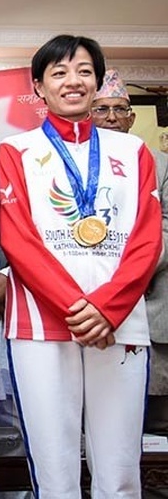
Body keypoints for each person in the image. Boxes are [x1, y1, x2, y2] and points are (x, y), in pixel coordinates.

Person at [0, 37, 161, 497]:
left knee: (121, 468)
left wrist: (107, 308)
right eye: (60, 72)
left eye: (85, 71)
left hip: (120, 324)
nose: (74, 81)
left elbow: (147, 240)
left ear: (97, 80)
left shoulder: (133, 153)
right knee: (54, 468)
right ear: (39, 86)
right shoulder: (15, 152)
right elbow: (18, 240)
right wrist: (79, 307)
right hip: (41, 328)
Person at [90, 69, 168, 445]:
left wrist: (129, 271)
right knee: (92, 424)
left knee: (152, 430)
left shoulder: (159, 162)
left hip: (150, 304)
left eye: (120, 110)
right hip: (86, 306)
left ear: (132, 117)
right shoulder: (66, 159)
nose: (111, 118)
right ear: (89, 114)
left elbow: (165, 227)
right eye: (102, 109)